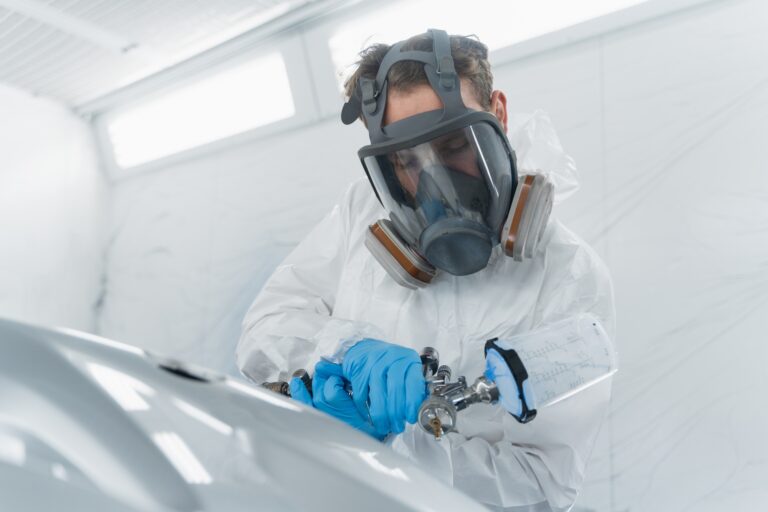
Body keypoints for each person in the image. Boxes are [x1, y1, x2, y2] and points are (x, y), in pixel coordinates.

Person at [237, 29, 615, 512]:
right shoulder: (363, 214)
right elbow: (267, 324)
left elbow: (544, 483)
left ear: (497, 112)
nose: (435, 181)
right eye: (406, 160)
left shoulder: (569, 275)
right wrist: (343, 350)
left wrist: (396, 450)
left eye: (455, 145)